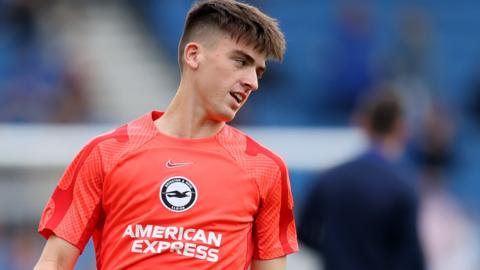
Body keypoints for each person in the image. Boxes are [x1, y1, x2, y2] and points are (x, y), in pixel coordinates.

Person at [34, 1, 298, 269]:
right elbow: (54, 262)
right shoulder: (106, 153)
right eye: (241, 61)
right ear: (193, 55)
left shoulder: (265, 169)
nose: (252, 82)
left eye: (258, 71)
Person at [299, 89, 425, 270]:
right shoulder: (403, 186)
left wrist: (335, 252)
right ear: (402, 128)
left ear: (363, 123)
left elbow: (304, 232)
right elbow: (411, 258)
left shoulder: (331, 178)